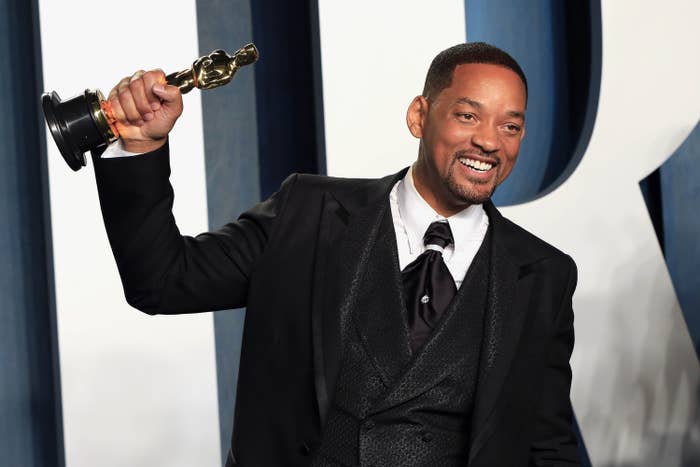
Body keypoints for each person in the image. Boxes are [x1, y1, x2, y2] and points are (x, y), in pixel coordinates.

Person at [94, 42, 580, 466]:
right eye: (468, 115)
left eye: (511, 126)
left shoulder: (544, 276)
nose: (489, 141)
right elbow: (162, 280)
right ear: (419, 115)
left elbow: (546, 445)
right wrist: (140, 147)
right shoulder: (308, 212)